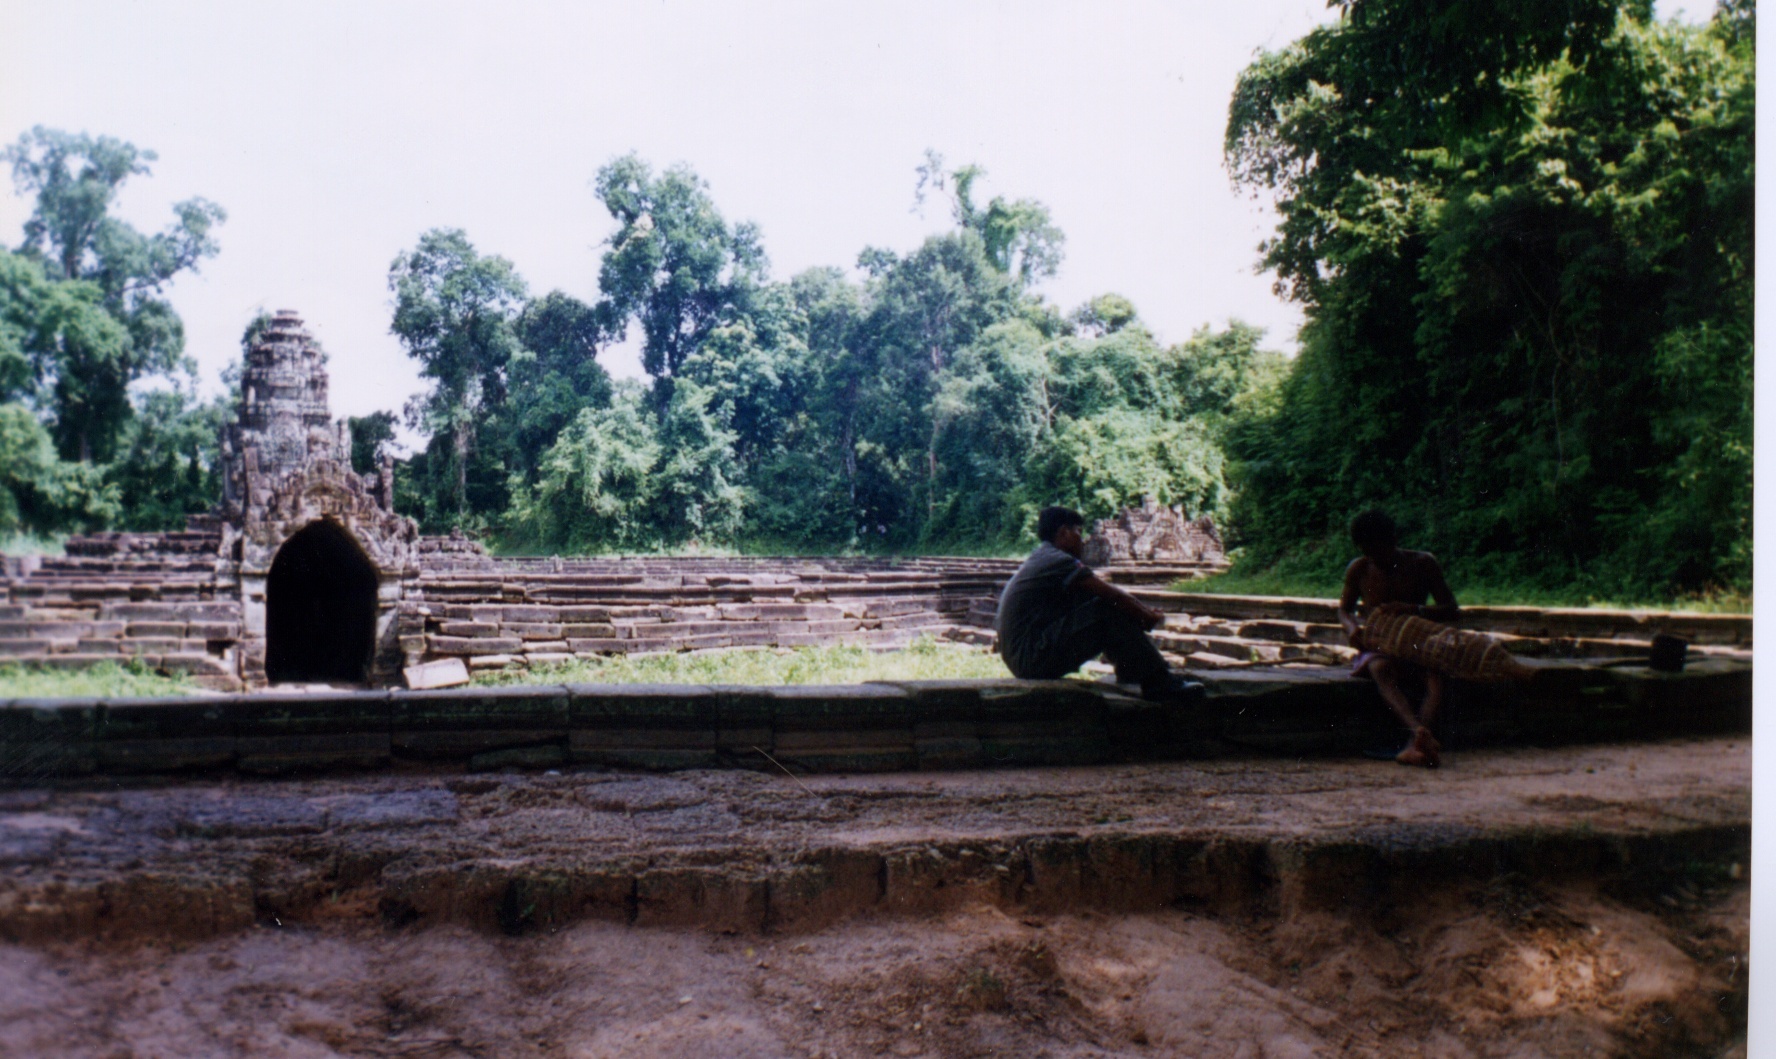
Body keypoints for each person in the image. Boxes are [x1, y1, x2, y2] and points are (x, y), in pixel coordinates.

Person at [995, 505, 1205, 705]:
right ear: (1064, 533)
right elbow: (1112, 595)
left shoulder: (1044, 557)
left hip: (1025, 656)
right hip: (1030, 657)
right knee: (1107, 608)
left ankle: (1132, 671)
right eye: (1079, 532)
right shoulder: (1058, 560)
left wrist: (1139, 612)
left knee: (1100, 606)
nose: (1083, 540)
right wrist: (1146, 616)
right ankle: (1158, 682)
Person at [1337, 509, 1459, 767]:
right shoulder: (1359, 569)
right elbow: (1344, 609)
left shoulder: (1423, 563)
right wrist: (1352, 629)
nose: (1375, 556)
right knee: (1379, 668)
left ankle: (1416, 742)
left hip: (1419, 644)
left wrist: (1413, 609)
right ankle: (1418, 733)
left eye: (1379, 548)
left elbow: (1451, 609)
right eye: (1367, 549)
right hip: (1381, 645)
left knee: (1435, 676)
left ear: (1393, 540)